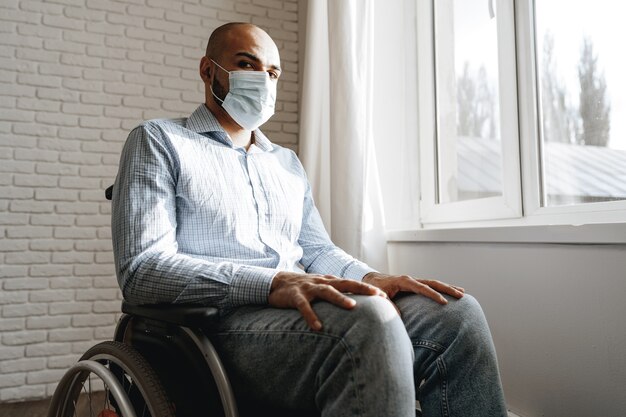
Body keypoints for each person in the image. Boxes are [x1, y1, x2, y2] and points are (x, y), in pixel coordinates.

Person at [111, 22, 508, 417]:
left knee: (457, 315)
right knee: (368, 322)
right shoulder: (159, 141)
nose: (263, 80)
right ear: (208, 70)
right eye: (247, 64)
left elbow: (316, 250)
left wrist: (370, 279)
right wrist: (271, 283)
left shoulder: (285, 163)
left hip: (299, 309)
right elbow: (142, 270)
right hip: (217, 328)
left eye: (272, 72)